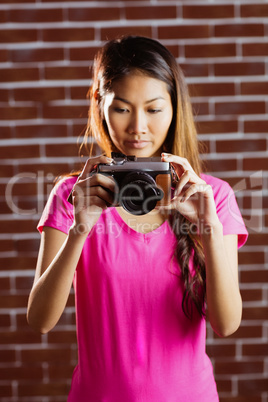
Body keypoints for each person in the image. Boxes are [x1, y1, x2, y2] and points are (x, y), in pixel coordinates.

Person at [27, 36, 248, 401]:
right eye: (123, 108)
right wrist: (81, 228)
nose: (138, 127)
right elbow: (40, 320)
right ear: (101, 107)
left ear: (175, 109)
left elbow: (227, 324)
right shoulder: (74, 193)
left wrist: (208, 230)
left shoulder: (214, 196)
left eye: (154, 109)